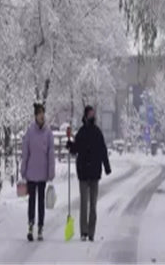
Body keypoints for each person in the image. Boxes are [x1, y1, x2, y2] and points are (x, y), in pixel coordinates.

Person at [66, 105, 111, 242]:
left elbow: (103, 150)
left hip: (95, 173)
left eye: (93, 114)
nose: (92, 116)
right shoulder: (81, 132)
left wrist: (106, 166)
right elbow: (76, 149)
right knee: (84, 204)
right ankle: (83, 231)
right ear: (85, 116)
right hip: (83, 173)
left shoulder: (97, 132)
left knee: (93, 205)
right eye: (90, 114)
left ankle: (91, 231)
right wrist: (70, 144)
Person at [21, 102, 55, 241]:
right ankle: (30, 225)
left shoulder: (48, 133)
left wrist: (51, 172)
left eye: (43, 113)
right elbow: (25, 152)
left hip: (42, 174)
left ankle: (40, 227)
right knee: (31, 201)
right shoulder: (30, 132)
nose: (42, 116)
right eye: (39, 113)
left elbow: (51, 154)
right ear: (35, 116)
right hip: (31, 173)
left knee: (41, 201)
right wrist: (23, 170)